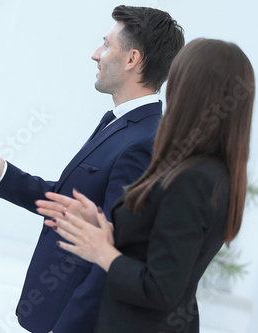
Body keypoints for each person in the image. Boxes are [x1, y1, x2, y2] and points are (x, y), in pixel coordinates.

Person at [0, 5, 184, 332]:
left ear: (131, 60)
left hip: (70, 318)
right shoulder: (118, 124)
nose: (95, 54)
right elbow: (69, 203)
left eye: (105, 44)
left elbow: (112, 254)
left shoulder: (144, 141)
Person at [39, 38, 254, 332]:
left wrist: (102, 250)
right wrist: (106, 228)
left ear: (191, 91)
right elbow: (157, 250)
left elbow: (161, 288)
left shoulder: (193, 179)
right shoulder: (207, 170)